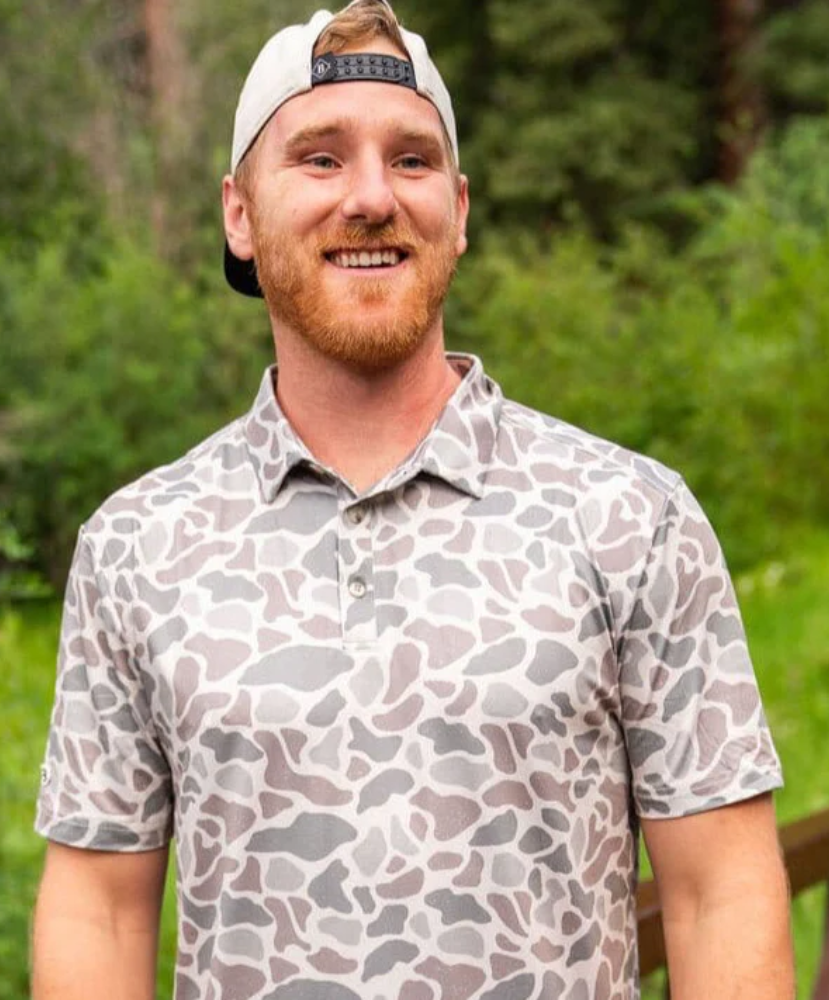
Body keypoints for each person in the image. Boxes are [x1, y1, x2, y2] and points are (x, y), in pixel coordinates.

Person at [32, 1, 794, 998]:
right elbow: (102, 905)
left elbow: (719, 894)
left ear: (460, 209)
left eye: (411, 159)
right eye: (318, 158)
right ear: (237, 213)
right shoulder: (136, 547)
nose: (369, 198)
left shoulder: (628, 519)